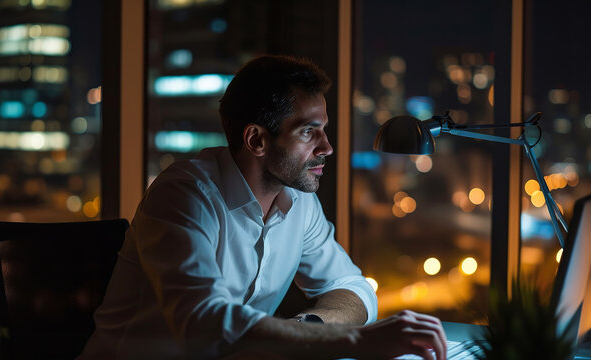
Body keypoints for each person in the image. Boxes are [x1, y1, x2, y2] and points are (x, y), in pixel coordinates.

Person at [79, 55, 447, 359]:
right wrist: (358, 341)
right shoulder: (185, 195)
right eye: (308, 131)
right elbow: (204, 324)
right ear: (256, 139)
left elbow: (352, 286)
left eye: (324, 130)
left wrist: (310, 330)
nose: (327, 148)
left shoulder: (300, 202)